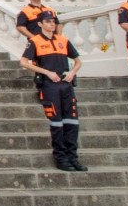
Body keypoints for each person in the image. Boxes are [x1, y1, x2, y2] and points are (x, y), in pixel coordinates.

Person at [19, 11, 86, 172]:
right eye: (48, 21)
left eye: (53, 21)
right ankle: (61, 157)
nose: (51, 24)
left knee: (72, 122)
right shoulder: (34, 41)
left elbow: (77, 61)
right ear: (40, 24)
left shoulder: (63, 40)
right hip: (49, 86)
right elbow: (24, 62)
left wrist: (72, 73)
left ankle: (72, 156)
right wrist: (46, 72)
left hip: (66, 85)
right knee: (56, 122)